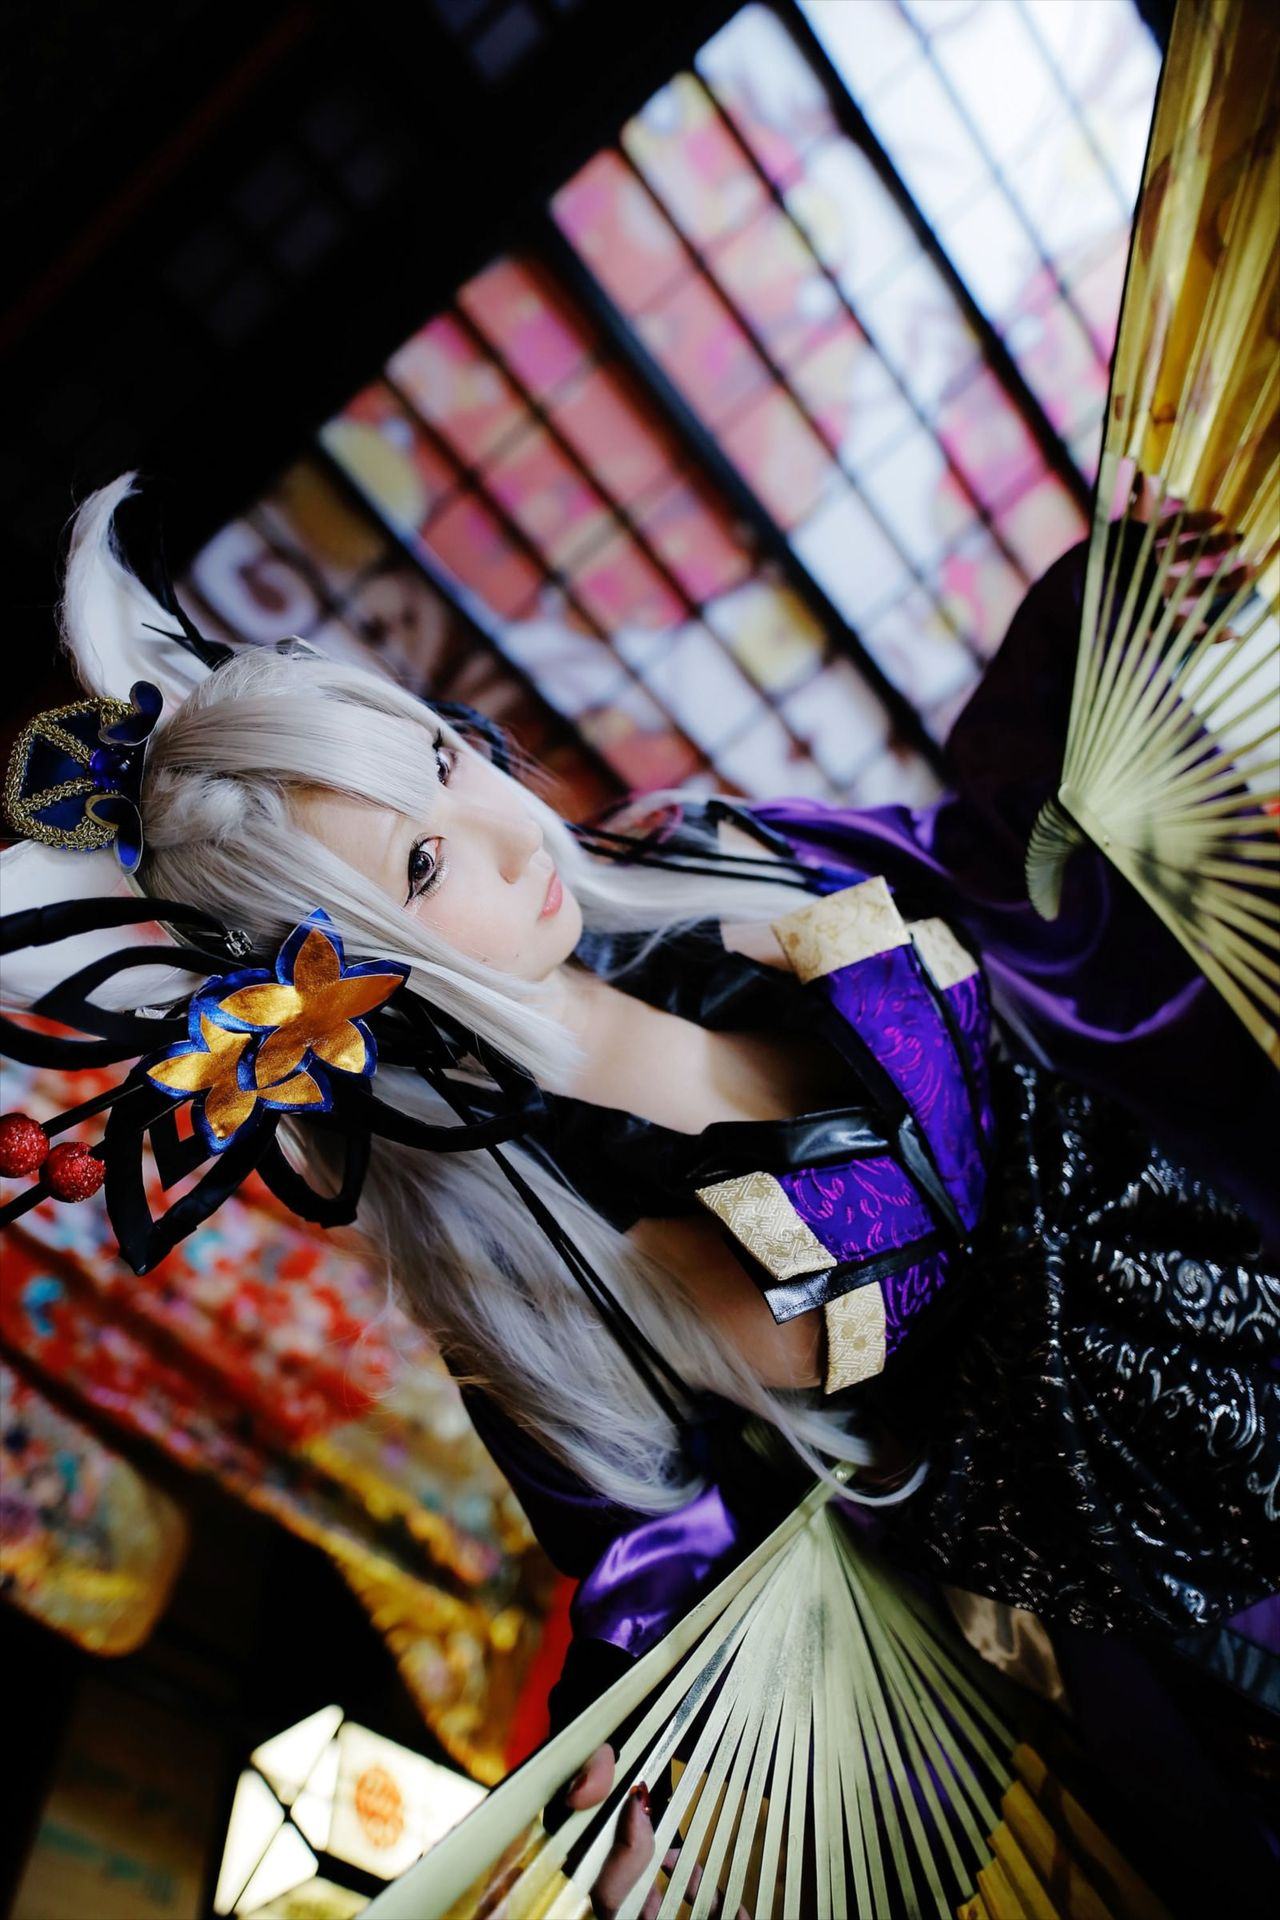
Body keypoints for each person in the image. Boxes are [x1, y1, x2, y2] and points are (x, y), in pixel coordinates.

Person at [2, 475, 1277, 1911]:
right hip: (1164, 1603)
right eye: (421, 867)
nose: (502, 826)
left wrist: (1089, 655)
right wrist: (635, 1795)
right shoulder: (533, 1269)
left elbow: (984, 872)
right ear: (331, 992)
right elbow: (661, 1575)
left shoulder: (706, 857)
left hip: (1236, 1234)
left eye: (442, 758)